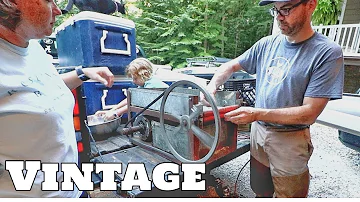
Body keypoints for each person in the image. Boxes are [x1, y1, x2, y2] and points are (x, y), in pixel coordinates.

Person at [204, 0, 344, 198]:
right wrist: (212, 87)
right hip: (259, 133)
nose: (279, 17)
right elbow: (230, 66)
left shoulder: (327, 52)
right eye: (276, 10)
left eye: (286, 9)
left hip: (290, 140)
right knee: (260, 190)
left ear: (310, 5)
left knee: (290, 195)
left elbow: (309, 113)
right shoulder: (266, 44)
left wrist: (256, 113)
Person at [0, 0, 114, 197]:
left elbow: (39, 87)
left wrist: (83, 73)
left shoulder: (33, 48)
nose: (57, 10)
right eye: (48, 0)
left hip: (73, 189)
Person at [95, 57, 169, 121]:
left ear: (145, 74)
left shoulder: (152, 85)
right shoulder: (144, 84)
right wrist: (111, 110)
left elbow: (138, 104)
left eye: (135, 78)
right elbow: (131, 98)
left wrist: (116, 113)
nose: (133, 82)